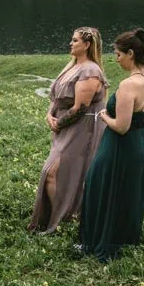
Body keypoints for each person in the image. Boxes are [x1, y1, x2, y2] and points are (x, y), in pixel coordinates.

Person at [78, 28, 144, 261]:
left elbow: (121, 126)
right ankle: (125, 238)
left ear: (131, 54)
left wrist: (104, 116)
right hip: (142, 143)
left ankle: (98, 241)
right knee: (129, 192)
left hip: (120, 146)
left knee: (100, 186)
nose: (116, 59)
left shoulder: (128, 85)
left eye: (119, 54)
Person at [28, 27, 108, 233]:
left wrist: (59, 122)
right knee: (57, 172)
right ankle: (60, 217)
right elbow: (56, 97)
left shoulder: (90, 71)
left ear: (87, 45)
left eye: (75, 41)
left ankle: (65, 218)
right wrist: (49, 115)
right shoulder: (72, 66)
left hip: (82, 129)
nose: (70, 44)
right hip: (64, 128)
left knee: (55, 171)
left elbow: (80, 107)